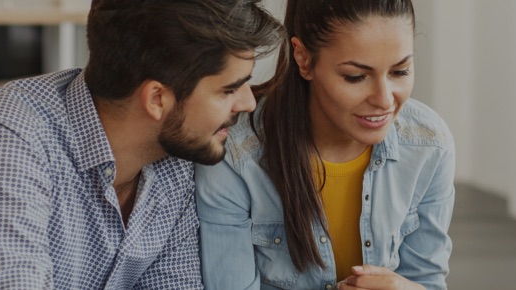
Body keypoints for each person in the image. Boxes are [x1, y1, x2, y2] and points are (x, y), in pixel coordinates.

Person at [0, 0, 281, 288]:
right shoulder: (1, 139)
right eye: (228, 88)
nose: (246, 103)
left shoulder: (178, 158)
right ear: (157, 98)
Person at [194, 0, 455, 289]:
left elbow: (427, 281)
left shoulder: (429, 145)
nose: (384, 99)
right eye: (355, 77)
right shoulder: (235, 155)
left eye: (400, 72)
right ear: (303, 58)